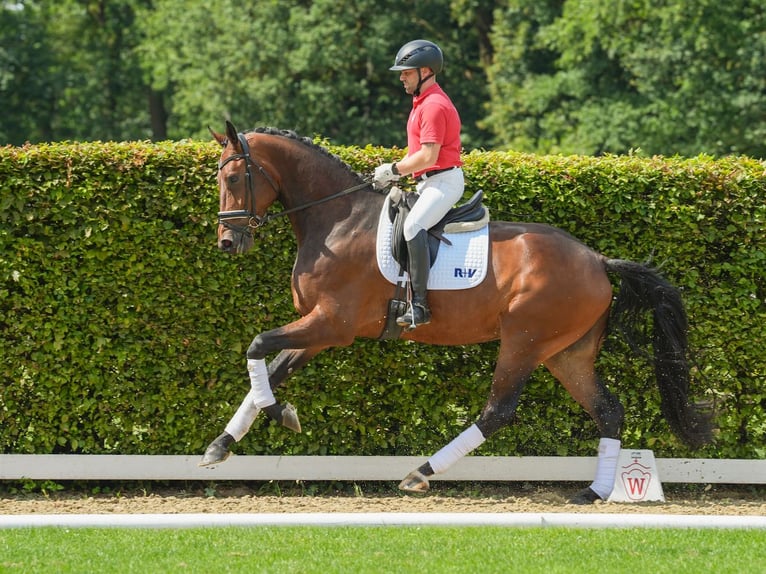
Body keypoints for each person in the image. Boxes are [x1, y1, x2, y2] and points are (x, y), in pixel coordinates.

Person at [373, 39, 464, 329]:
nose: (401, 76)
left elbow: (428, 156)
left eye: (406, 72)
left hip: (443, 183)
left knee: (413, 226)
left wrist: (394, 169)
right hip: (428, 183)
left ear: (425, 71)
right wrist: (392, 172)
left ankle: (421, 306)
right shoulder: (422, 103)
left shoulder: (434, 105)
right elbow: (417, 153)